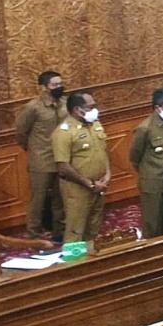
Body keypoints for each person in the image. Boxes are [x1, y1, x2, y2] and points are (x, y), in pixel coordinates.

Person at [14, 71, 68, 242]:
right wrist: (31, 149)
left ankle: (59, 232)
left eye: (60, 84)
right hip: (41, 160)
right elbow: (21, 132)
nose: (59, 87)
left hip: (62, 158)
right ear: (43, 87)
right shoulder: (33, 107)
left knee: (60, 198)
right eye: (54, 85)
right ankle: (34, 235)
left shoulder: (65, 103)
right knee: (38, 200)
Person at [51, 92, 111, 246]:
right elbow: (63, 167)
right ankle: (74, 261)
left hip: (99, 186)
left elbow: (102, 150)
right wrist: (89, 184)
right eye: (91, 107)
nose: (95, 110)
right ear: (78, 109)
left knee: (94, 227)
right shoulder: (63, 132)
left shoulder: (95, 124)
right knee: (76, 230)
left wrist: (107, 174)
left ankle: (93, 257)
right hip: (77, 189)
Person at [129, 88, 163, 238]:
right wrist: (148, 172)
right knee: (154, 222)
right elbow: (135, 156)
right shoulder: (144, 128)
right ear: (157, 108)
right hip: (154, 181)